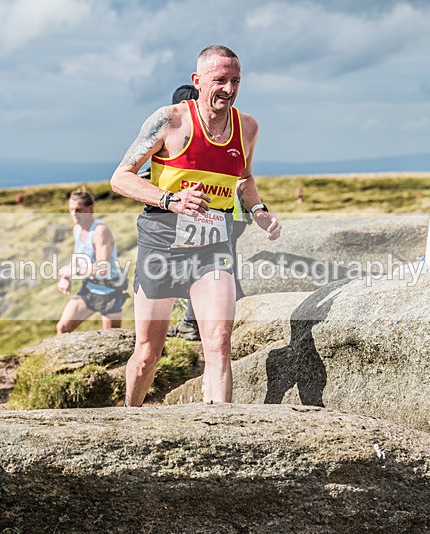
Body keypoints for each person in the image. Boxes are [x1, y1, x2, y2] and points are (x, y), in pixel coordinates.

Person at [111, 45, 281, 406]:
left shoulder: (247, 127)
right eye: (220, 80)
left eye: (236, 80)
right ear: (198, 80)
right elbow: (120, 179)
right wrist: (171, 200)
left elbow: (245, 180)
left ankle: (217, 433)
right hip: (161, 244)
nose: (229, 89)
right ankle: (131, 416)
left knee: (219, 342)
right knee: (147, 354)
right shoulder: (170, 120)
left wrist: (259, 210)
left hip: (212, 246)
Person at [162, 84, 252, 342]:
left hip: (221, 216)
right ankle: (199, 322)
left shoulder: (205, 133)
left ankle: (194, 323)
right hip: (227, 216)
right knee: (213, 270)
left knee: (202, 270)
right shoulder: (221, 130)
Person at [55, 187, 128, 333]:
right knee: (62, 328)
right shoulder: (77, 228)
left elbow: (102, 269)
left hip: (110, 291)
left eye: (78, 209)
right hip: (89, 288)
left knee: (111, 340)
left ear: (89, 209)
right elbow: (77, 256)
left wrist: (72, 272)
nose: (73, 214)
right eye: (71, 210)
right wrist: (66, 277)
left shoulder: (100, 231)